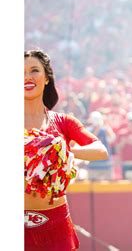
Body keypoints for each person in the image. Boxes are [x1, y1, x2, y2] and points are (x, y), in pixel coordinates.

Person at [24, 49, 109, 251]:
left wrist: (63, 150)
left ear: (46, 78)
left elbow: (100, 150)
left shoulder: (63, 121)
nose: (27, 77)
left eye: (34, 70)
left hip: (56, 224)